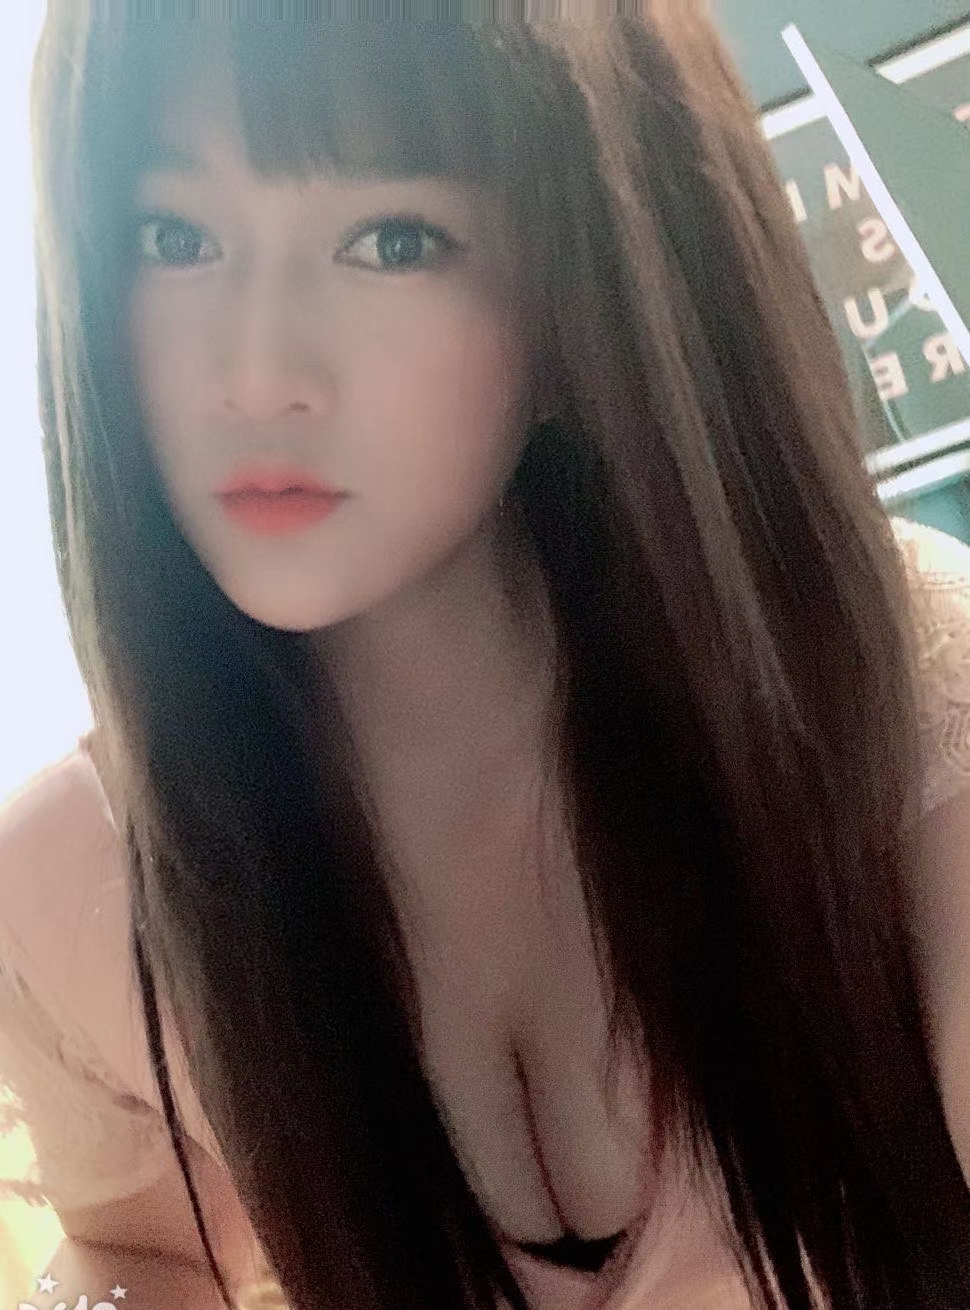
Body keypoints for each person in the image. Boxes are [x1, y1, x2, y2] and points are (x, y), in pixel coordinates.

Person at [3, 4, 970, 1308]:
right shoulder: (77, 878)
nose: (256, 372)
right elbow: (146, 1249)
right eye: (174, 238)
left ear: (587, 285)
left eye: (391, 240)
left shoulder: (897, 706)